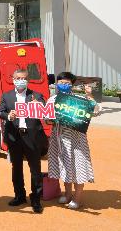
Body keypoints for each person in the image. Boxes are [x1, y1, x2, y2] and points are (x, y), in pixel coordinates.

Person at [45, 72, 100, 210]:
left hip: (76, 140)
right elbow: (46, 118)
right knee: (64, 166)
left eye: (67, 83)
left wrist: (89, 96)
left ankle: (77, 198)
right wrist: (49, 119)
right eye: (61, 82)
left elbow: (96, 110)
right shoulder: (52, 99)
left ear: (72, 84)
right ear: (57, 84)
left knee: (78, 166)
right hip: (58, 139)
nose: (64, 85)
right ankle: (68, 194)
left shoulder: (78, 99)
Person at [0, 69, 47, 214]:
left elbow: (45, 113)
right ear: (13, 79)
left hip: (32, 136)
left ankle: (36, 199)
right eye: (18, 78)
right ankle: (19, 195)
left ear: (28, 80)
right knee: (16, 168)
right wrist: (9, 116)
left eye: (23, 78)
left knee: (35, 169)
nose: (20, 80)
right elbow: (0, 112)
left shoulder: (36, 95)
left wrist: (37, 105)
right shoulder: (6, 96)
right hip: (14, 137)